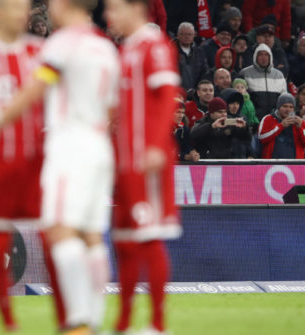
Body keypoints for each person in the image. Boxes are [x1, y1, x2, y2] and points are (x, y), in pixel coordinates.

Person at [3, 0, 120, 332]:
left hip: (70, 145)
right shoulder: (104, 47)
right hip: (99, 147)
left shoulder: (62, 42)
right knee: (92, 236)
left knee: (59, 230)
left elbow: (34, 89)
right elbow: (113, 107)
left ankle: (79, 321)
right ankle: (93, 319)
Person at [105, 1, 182, 334]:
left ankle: (157, 324)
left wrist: (154, 145)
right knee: (123, 241)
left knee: (150, 237)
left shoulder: (154, 45)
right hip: (124, 162)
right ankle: (123, 322)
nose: (108, 16)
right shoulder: (126, 51)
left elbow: (167, 96)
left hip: (147, 159)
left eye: (113, 8)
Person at [0, 0, 47, 330]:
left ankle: (71, 321)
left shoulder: (42, 54)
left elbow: (55, 94)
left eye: (25, 8)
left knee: (55, 237)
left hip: (36, 162)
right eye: (13, 7)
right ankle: (7, 321)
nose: (22, 14)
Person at [258, 93, 305, 158]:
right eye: (285, 106)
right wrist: (281, 126)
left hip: (294, 166)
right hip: (272, 165)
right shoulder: (268, 118)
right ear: (278, 107)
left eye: (291, 107)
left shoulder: (301, 122)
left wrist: (300, 128)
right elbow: (261, 138)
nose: (288, 110)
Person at [240, 43, 287, 120]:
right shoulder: (245, 73)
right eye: (260, 55)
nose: (263, 58)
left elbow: (285, 100)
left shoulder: (279, 75)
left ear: (270, 57)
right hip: (253, 120)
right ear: (255, 56)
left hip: (275, 121)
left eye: (266, 55)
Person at [174, 22, 208, 91]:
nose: (186, 37)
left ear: (194, 35)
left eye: (189, 34)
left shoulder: (199, 52)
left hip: (196, 93)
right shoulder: (171, 52)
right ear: (178, 35)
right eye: (183, 34)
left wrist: (198, 89)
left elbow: (205, 72)